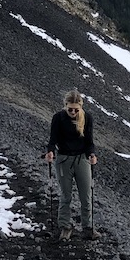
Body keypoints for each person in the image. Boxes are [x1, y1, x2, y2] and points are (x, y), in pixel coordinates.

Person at [44, 90, 99, 240]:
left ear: (80, 107)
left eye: (76, 109)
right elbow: (52, 139)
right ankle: (65, 227)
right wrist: (50, 152)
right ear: (65, 105)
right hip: (63, 159)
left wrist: (92, 155)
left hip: (82, 159)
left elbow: (89, 142)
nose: (73, 112)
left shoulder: (87, 118)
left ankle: (88, 228)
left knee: (86, 196)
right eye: (70, 109)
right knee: (65, 195)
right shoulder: (58, 118)